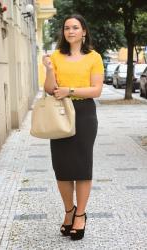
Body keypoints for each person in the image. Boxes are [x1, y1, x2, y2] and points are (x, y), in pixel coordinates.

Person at [42, 14, 104, 240]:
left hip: (85, 114)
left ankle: (81, 215)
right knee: (62, 167)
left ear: (84, 32)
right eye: (67, 27)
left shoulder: (94, 57)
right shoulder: (55, 56)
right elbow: (50, 89)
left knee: (82, 166)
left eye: (75, 27)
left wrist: (69, 90)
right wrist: (49, 70)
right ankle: (69, 211)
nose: (70, 31)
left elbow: (96, 90)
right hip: (60, 113)